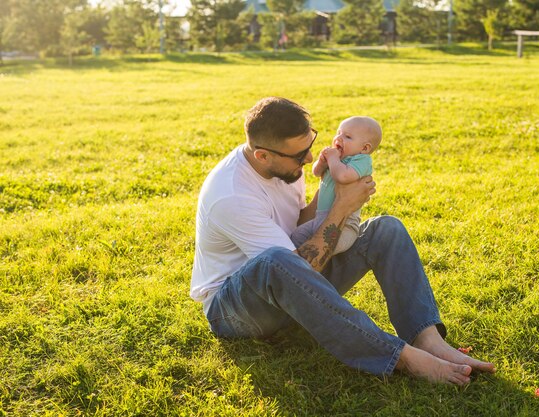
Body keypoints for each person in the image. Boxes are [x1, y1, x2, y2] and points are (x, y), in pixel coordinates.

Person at [190, 97, 495, 385]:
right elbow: (296, 268)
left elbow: (297, 220)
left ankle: (428, 340)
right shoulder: (232, 196)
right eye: (300, 155)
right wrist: (342, 208)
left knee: (385, 229)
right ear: (263, 155)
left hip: (290, 282)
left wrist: (334, 192)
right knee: (277, 260)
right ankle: (403, 357)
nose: (309, 158)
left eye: (309, 145)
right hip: (237, 310)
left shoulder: (283, 165)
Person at [291, 116, 381, 254]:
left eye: (347, 136)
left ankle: (322, 265)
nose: (339, 138)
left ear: (364, 148)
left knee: (328, 247)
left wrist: (332, 158)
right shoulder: (337, 159)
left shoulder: (361, 160)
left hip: (345, 224)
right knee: (296, 237)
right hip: (319, 218)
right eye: (338, 133)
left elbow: (343, 176)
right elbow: (316, 172)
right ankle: (299, 265)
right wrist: (322, 162)